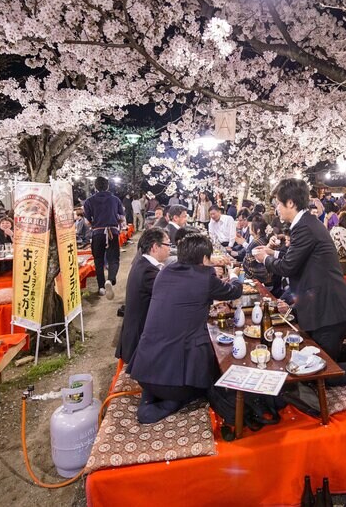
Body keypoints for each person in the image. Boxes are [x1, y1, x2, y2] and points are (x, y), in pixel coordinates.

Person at [254, 179, 346, 386]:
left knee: (314, 375)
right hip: (325, 306)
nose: (276, 209)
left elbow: (288, 267)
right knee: (314, 353)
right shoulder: (306, 223)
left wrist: (265, 259)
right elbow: (299, 256)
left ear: (290, 203)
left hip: (328, 310)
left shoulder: (304, 227)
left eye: (277, 203)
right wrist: (274, 252)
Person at [129, 233, 242, 423]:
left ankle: (149, 397)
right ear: (205, 259)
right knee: (205, 384)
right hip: (174, 382)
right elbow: (234, 291)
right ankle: (164, 406)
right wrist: (234, 275)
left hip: (144, 369)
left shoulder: (165, 271)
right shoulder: (205, 277)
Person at [116, 228, 171, 365]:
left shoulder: (143, 263)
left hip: (140, 334)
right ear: (154, 247)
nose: (170, 249)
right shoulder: (147, 271)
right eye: (168, 245)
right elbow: (171, 293)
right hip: (139, 343)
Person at [83, 176, 125, 299]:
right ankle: (110, 280)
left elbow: (87, 221)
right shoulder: (115, 200)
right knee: (114, 259)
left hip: (97, 233)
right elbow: (122, 218)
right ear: (107, 186)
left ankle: (101, 287)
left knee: (98, 260)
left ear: (95, 187)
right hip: (112, 232)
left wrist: (95, 225)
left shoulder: (89, 201)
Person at [242, 217, 272, 284]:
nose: (249, 227)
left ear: (258, 230)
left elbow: (249, 262)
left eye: (251, 226)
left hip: (257, 277)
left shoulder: (257, 242)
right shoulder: (263, 239)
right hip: (264, 276)